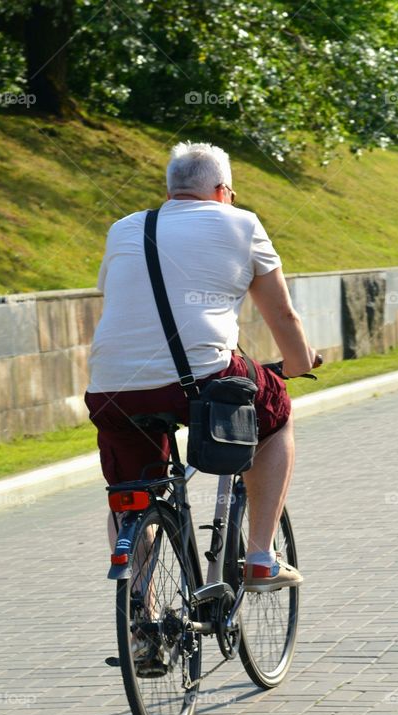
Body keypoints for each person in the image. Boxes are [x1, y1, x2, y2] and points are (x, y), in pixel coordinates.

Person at [85, 141, 317, 593]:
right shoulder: (242, 223)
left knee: (133, 494)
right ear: (222, 190)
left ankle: (142, 621)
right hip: (202, 380)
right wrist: (299, 362)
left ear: (171, 191)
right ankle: (260, 557)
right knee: (276, 413)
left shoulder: (126, 228)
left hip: (112, 389)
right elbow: (283, 316)